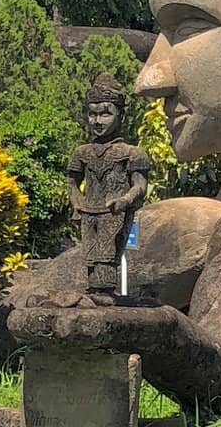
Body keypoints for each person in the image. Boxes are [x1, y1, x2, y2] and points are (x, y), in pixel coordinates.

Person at [67, 75, 149, 302]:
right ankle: (94, 291)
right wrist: (77, 203)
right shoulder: (82, 152)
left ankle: (104, 291)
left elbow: (140, 186)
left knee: (108, 255)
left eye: (105, 113)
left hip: (115, 212)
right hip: (88, 211)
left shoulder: (133, 153)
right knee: (91, 256)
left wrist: (125, 200)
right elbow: (72, 181)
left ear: (120, 115)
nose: (97, 121)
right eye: (92, 114)